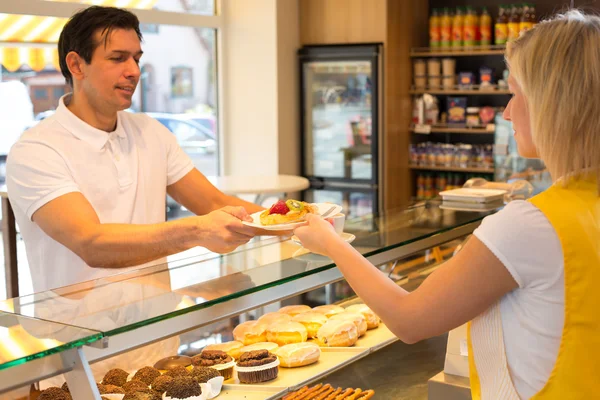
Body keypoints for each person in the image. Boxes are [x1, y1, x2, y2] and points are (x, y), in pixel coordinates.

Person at [295, 10, 600, 399]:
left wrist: (332, 244)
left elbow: (409, 320)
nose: (506, 111)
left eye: (515, 92)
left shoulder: (530, 224)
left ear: (552, 102)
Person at [6, 6, 281, 295]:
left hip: (158, 330)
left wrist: (295, 222)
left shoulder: (150, 131)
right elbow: (91, 243)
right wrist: (197, 232)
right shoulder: (36, 150)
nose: (134, 71)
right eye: (118, 58)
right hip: (79, 335)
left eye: (136, 59)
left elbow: (212, 202)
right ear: (76, 65)